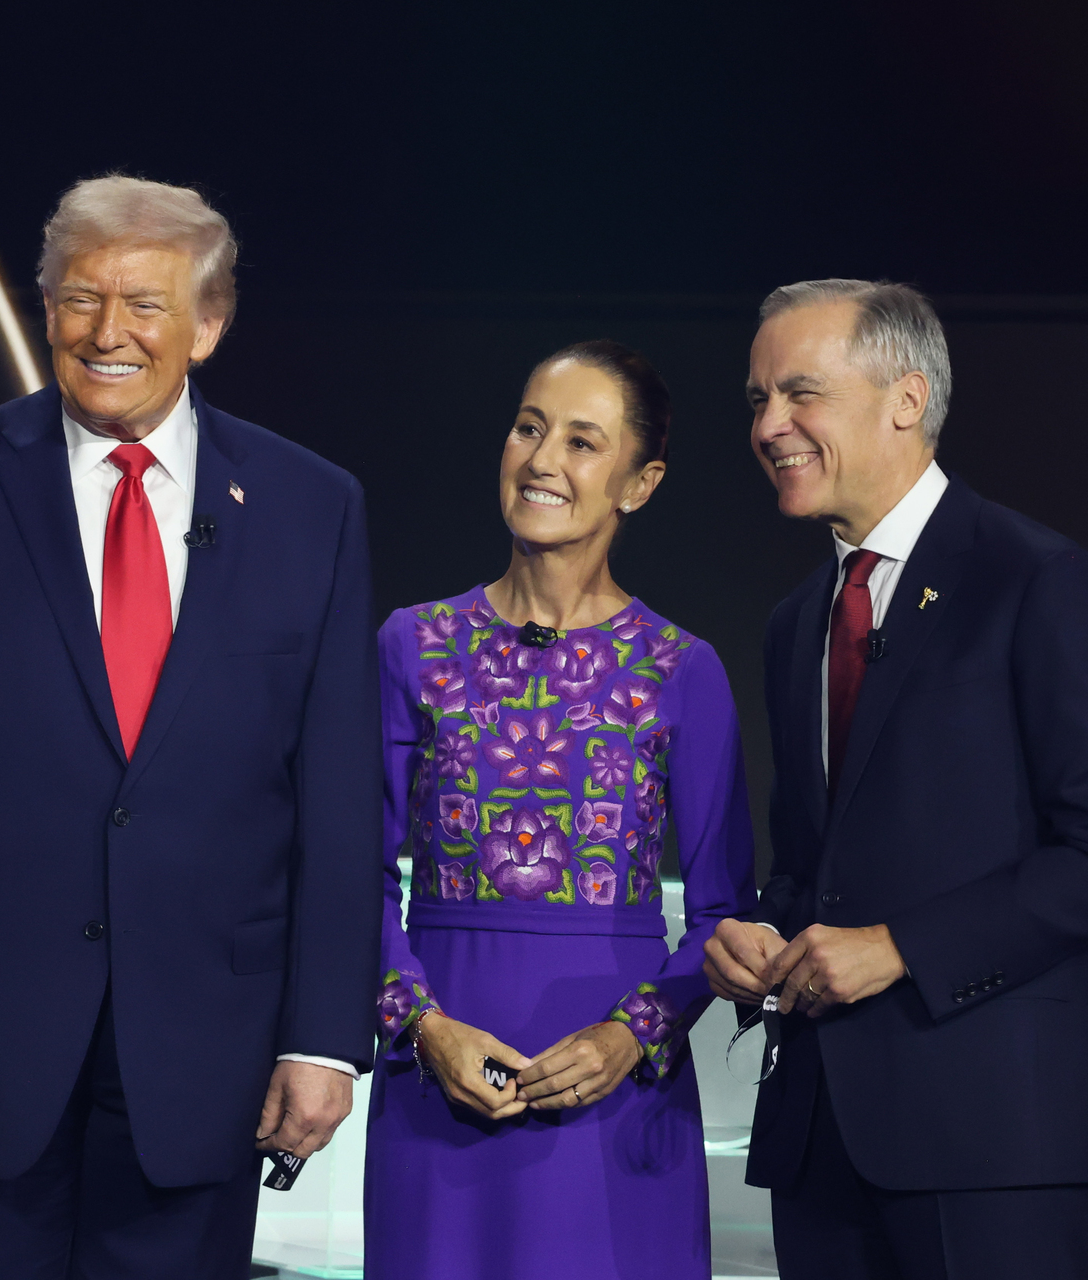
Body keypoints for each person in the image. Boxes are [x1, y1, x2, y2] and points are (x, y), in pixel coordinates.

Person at [0, 176, 382, 1279]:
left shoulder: (311, 507)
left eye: (146, 305)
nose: (108, 332)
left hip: (205, 1051)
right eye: (81, 299)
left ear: (208, 325)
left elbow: (340, 796)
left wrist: (322, 1036)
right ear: (46, 309)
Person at [701, 279, 1088, 1279]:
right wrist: (758, 937)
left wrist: (900, 947)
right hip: (819, 1137)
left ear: (905, 398)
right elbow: (813, 867)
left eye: (800, 392)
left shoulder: (1035, 579)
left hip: (990, 1133)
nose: (769, 426)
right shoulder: (797, 622)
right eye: (758, 399)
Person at [366, 341, 759, 1278]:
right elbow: (354, 874)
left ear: (640, 483)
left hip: (615, 1100)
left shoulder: (682, 669)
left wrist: (632, 1035)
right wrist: (423, 1026)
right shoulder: (412, 645)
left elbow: (723, 916)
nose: (542, 460)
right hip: (439, 1083)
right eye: (528, 429)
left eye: (582, 442)